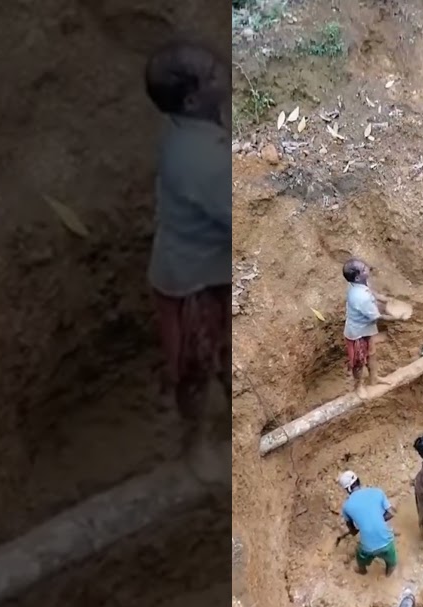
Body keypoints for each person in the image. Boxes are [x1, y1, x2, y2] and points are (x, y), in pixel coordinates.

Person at [143, 39, 231, 482]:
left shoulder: (195, 130)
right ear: (192, 99)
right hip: (194, 281)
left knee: (231, 354)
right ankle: (194, 444)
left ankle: (237, 425)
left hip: (213, 268)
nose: (223, 68)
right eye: (212, 72)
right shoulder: (203, 160)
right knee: (196, 366)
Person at [342, 258, 398, 392]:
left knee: (372, 354)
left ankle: (374, 378)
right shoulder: (360, 297)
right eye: (363, 269)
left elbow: (371, 292)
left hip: (366, 329)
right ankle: (359, 386)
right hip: (357, 334)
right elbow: (377, 316)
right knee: (358, 362)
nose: (367, 268)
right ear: (356, 277)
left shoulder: (358, 283)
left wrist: (384, 299)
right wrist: (396, 317)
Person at [338, 470, 399, 577]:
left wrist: (358, 528)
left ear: (347, 489)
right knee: (392, 561)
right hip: (387, 542)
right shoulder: (377, 492)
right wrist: (379, 519)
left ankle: (362, 570)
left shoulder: (346, 506)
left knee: (360, 557)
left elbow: (352, 531)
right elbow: (391, 513)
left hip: (368, 548)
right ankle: (389, 572)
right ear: (358, 480)